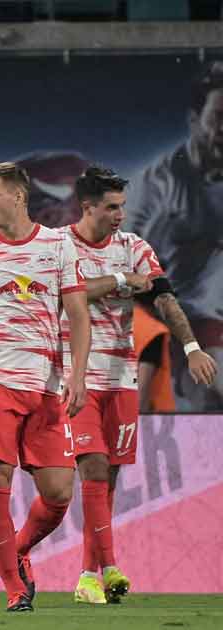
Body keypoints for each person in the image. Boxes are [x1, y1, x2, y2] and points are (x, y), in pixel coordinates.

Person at [0, 162, 91, 612]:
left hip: (45, 387)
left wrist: (77, 375)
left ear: (19, 197)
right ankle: (13, 589)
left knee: (60, 493)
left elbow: (79, 316)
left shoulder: (58, 245)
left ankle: (18, 551)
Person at [64, 166, 217, 605]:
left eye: (122, 207)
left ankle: (89, 572)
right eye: (111, 207)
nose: (119, 215)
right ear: (87, 206)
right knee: (91, 468)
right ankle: (103, 570)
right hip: (77, 378)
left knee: (106, 481)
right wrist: (116, 282)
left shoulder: (134, 247)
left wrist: (190, 347)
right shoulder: (58, 247)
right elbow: (65, 293)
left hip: (121, 379)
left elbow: (164, 297)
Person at [127, 62, 223, 409]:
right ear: (195, 119)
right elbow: (123, 262)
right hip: (161, 313)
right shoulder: (157, 186)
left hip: (208, 315)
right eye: (219, 117)